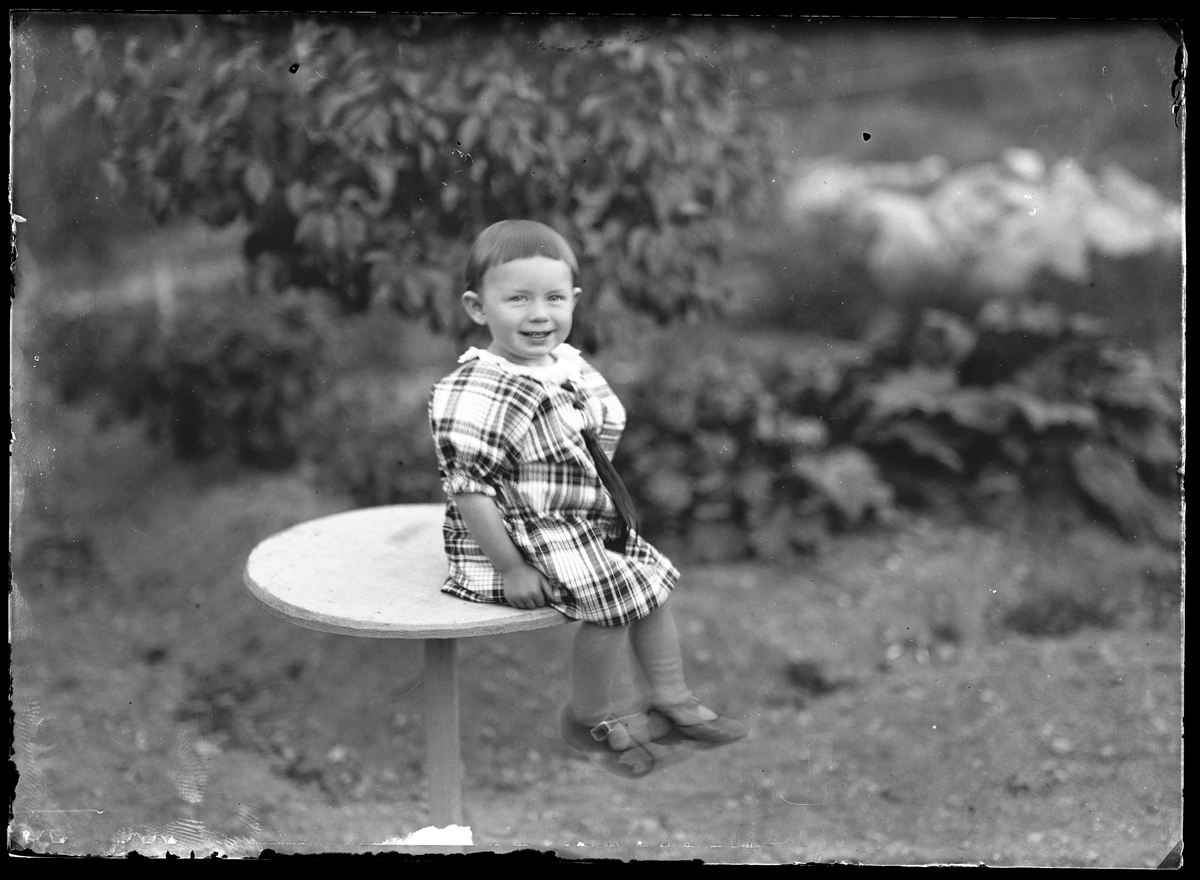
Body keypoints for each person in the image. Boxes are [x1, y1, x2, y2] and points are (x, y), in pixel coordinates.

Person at [428, 220, 747, 778]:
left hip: (570, 520)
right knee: (613, 601)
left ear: (574, 300)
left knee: (652, 581)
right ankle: (588, 717)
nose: (539, 314)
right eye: (518, 299)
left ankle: (671, 699)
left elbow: (595, 433)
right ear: (478, 308)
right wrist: (511, 568)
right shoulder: (480, 390)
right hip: (513, 534)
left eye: (554, 298)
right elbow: (469, 490)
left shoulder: (565, 365)